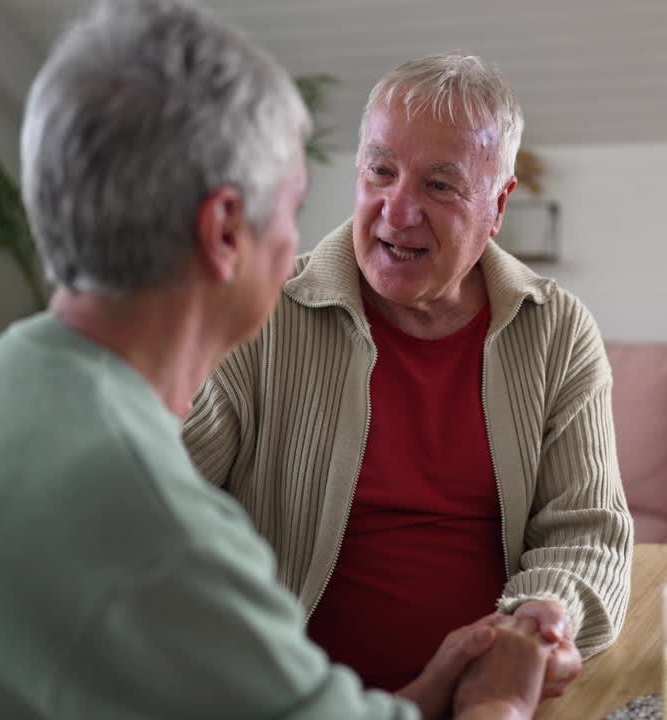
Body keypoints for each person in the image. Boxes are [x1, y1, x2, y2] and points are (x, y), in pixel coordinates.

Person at [0, 2, 552, 718]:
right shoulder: (147, 515)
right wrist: (500, 700)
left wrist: (424, 696)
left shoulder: (13, 379)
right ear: (222, 232)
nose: (302, 244)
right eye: (292, 205)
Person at [182, 52, 634, 696]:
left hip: (493, 695)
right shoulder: (261, 312)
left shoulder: (557, 332)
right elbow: (157, 499)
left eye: (440, 186)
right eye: (381, 172)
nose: (398, 210)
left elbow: (589, 531)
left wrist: (539, 621)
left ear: (497, 204)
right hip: (297, 700)